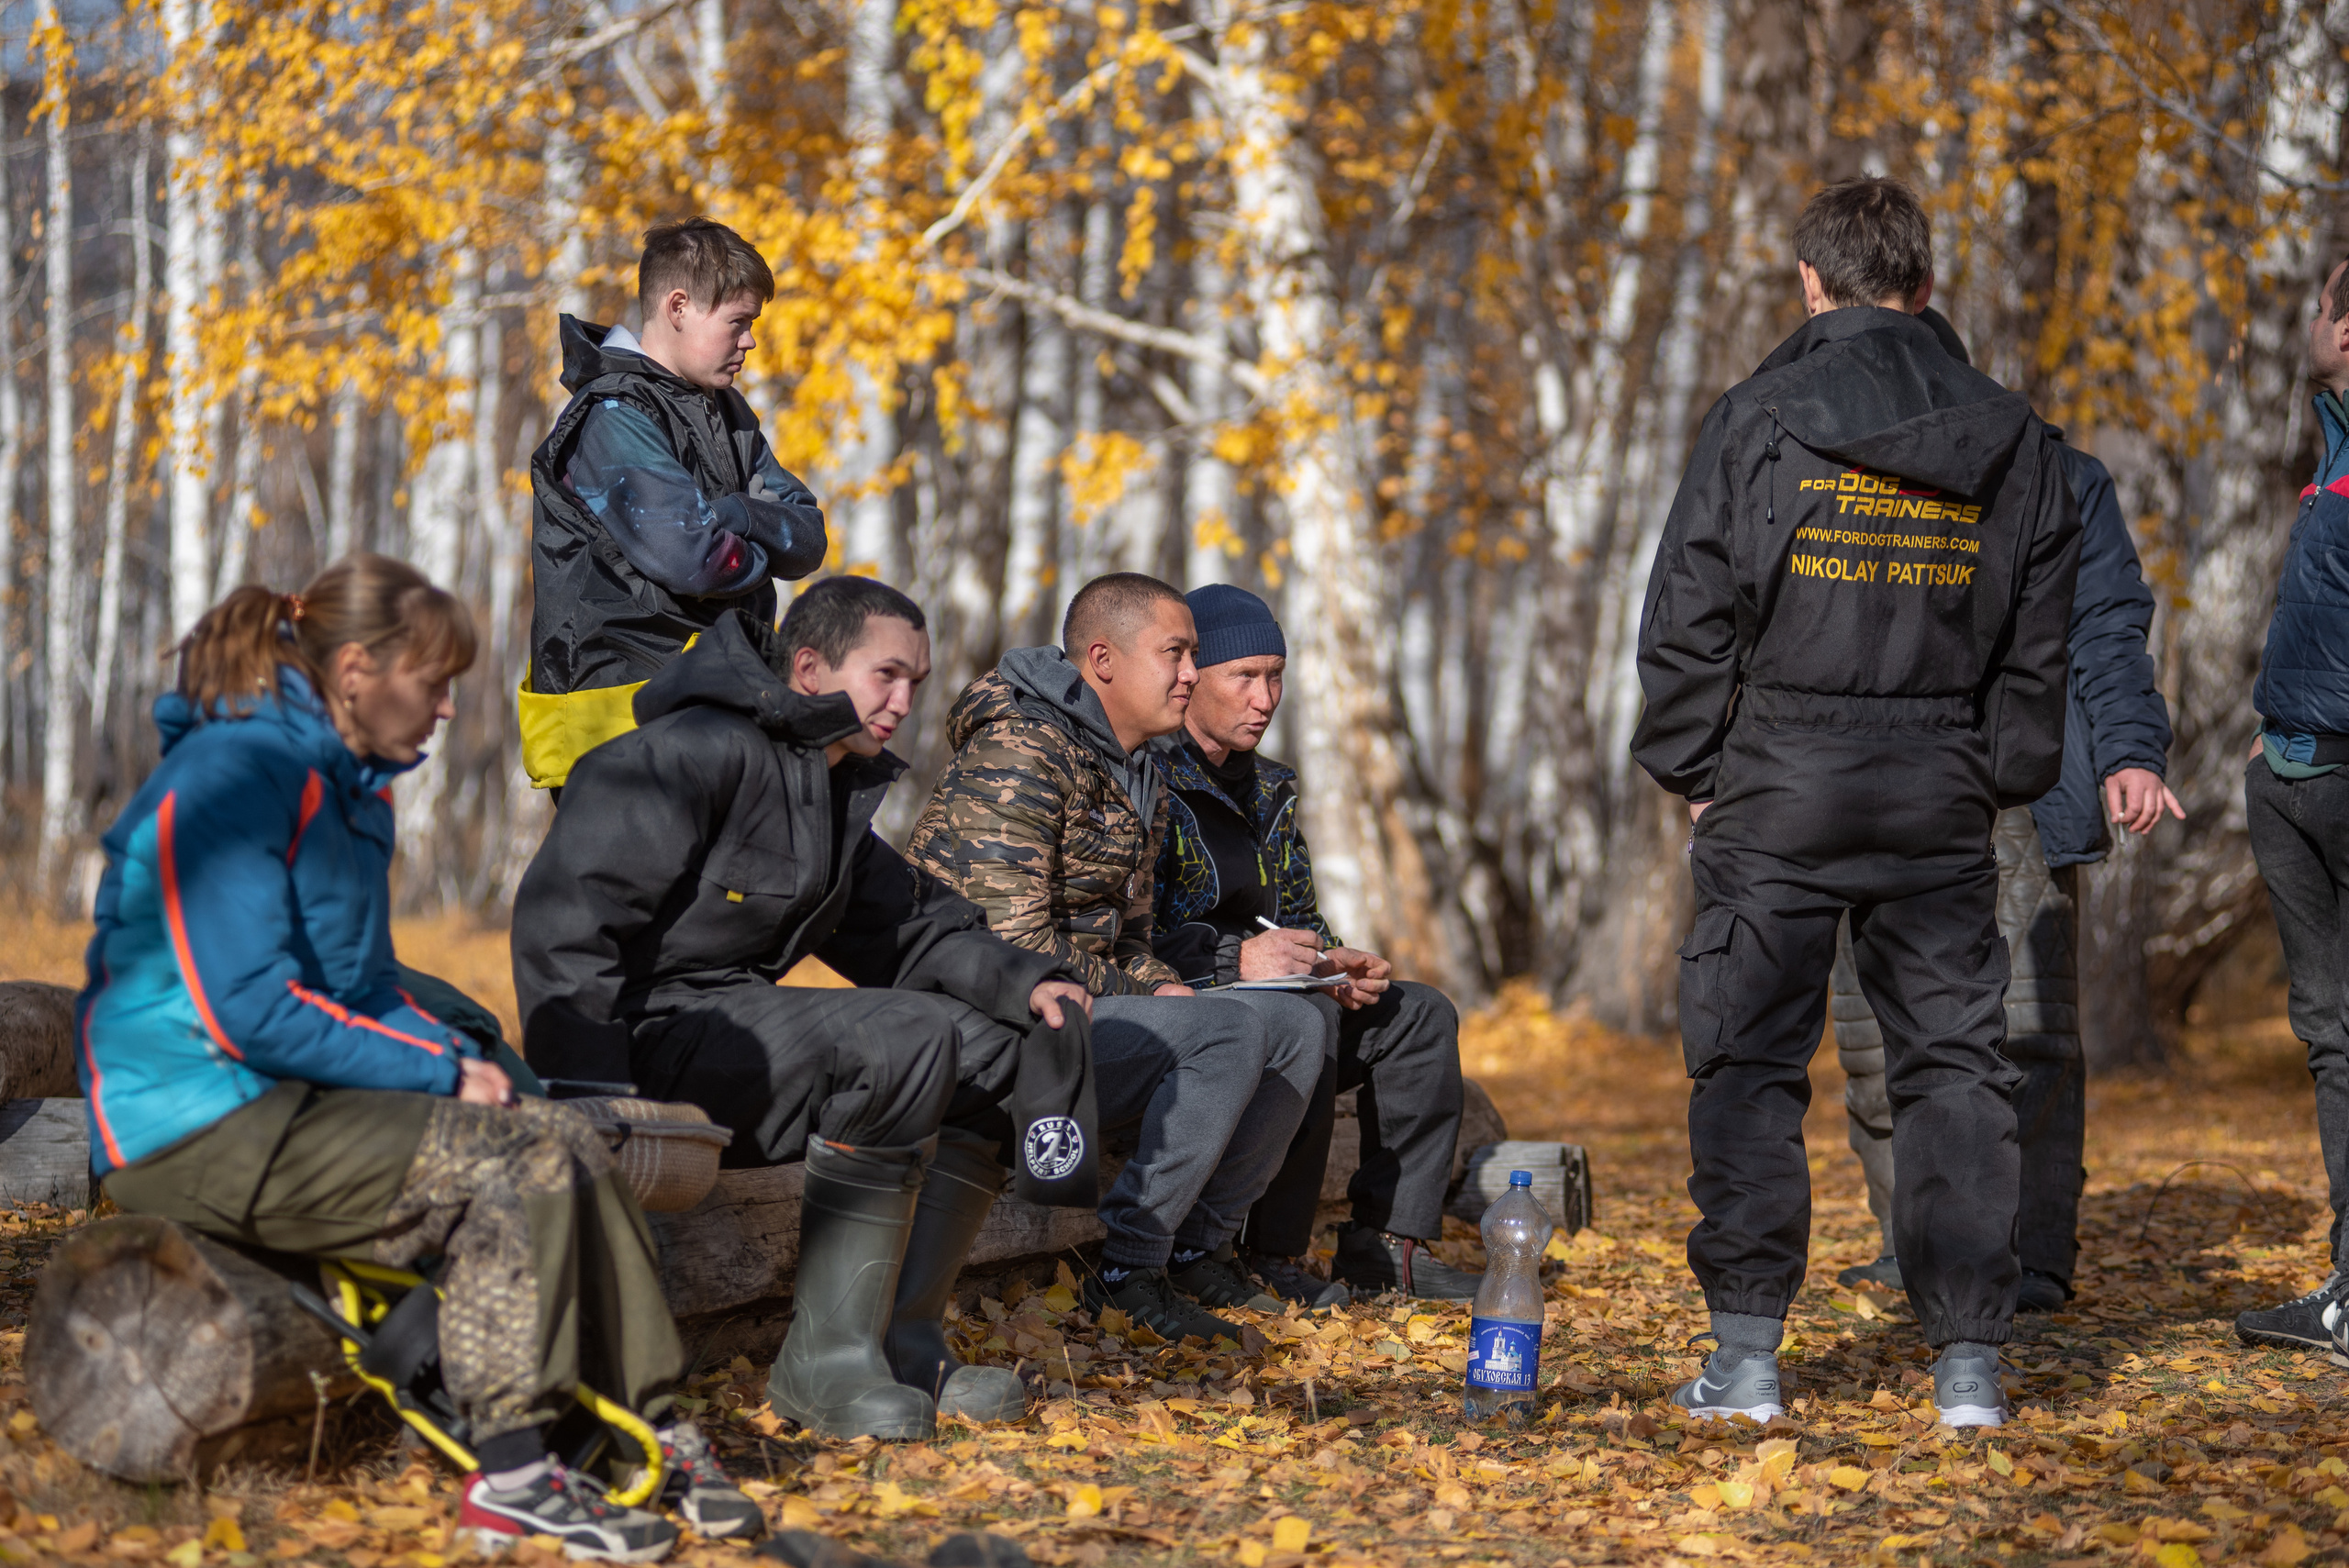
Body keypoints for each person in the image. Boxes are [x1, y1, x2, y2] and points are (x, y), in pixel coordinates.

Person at [77, 557, 751, 1562]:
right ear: (355, 670)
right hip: (188, 1120)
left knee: (559, 1131)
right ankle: (515, 1474)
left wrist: (461, 1057)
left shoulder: (350, 792)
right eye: (432, 682)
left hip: (286, 1103)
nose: (445, 707)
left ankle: (645, 1419)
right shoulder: (233, 777)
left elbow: (360, 985)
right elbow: (249, 1008)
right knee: (512, 1165)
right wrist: (441, 1074)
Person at [1632, 177, 2080, 1429]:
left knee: (1750, 1062)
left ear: (1810, 283)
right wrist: (1996, 773)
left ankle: (1748, 1359)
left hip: (1782, 777)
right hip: (1938, 780)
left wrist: (1698, 767)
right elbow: (2039, 644)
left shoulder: (1756, 419)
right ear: (1925, 288)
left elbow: (1686, 616)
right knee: (1953, 1066)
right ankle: (1970, 1370)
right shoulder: (2014, 435)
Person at [511, 576, 1097, 1442]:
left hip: (742, 1035)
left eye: (917, 683)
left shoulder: (828, 785)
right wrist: (589, 1095)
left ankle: (902, 1341)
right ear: (812, 666)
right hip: (641, 1047)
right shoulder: (688, 752)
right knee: (904, 1032)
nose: (904, 703)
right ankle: (825, 1364)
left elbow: (905, 927)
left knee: (1007, 1042)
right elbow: (566, 921)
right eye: (886, 675)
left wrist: (1025, 983)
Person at [1831, 308, 2180, 1315]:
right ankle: (1917, 1248)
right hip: (1872, 790)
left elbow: (2109, 621)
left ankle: (2028, 1258)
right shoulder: (1837, 478)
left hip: (2019, 791)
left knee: (2026, 1036)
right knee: (1873, 1038)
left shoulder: (2060, 476)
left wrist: (2126, 749)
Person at [907, 573, 1324, 1338]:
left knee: (1295, 1024)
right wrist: (1165, 1002)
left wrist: (1165, 986)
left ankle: (1199, 1250)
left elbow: (1129, 940)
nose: (1192, 674)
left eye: (1195, 655)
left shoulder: (1134, 771)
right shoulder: (1021, 751)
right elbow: (1008, 945)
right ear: (1102, 659)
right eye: (1176, 653)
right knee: (1227, 1030)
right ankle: (1129, 1268)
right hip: (985, 1027)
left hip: (1073, 1013)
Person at [1149, 584, 1482, 1306]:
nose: (1265, 697)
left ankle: (1388, 1246)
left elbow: (1294, 912)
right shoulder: (1150, 778)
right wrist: (1235, 961)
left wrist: (1331, 960)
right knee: (1310, 1020)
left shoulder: (1270, 788)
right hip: (1192, 1008)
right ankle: (1269, 1252)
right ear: (1191, 676)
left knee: (1418, 1015)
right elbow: (1129, 936)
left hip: (1276, 993)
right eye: (1244, 676)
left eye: (1276, 675)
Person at [524, 216, 829, 792]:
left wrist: (736, 514)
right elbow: (695, 559)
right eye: (738, 322)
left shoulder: (727, 414)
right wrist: (752, 544)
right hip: (616, 735)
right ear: (679, 306)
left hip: (697, 715)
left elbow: (808, 538)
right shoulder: (611, 417)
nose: (751, 341)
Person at [2235, 253, 2349, 1354]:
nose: (2307, 327)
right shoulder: (2332, 452)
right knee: (2331, 1036)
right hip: (2295, 779)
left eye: (2318, 308)